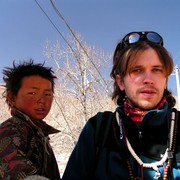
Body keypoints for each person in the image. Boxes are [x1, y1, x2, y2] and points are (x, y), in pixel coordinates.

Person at [62, 31, 180, 179]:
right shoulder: (98, 129)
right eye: (137, 70)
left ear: (166, 80)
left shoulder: (177, 127)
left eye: (157, 70)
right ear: (120, 82)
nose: (148, 79)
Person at [0, 60, 61, 179]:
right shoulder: (11, 129)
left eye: (47, 94)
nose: (42, 100)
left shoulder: (40, 133)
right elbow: (10, 162)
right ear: (11, 98)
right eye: (32, 93)